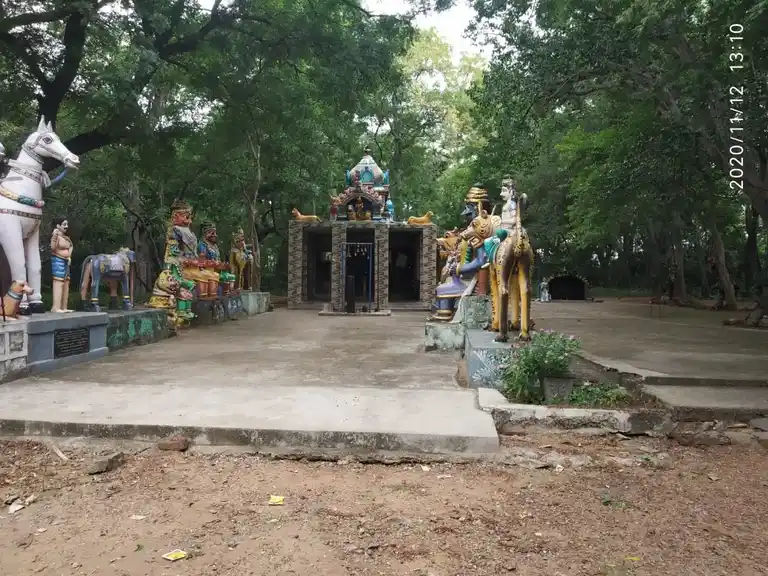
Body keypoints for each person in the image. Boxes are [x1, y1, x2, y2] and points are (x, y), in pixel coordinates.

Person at [50, 216, 73, 312]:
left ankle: (64, 307)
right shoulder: (56, 236)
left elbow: (71, 246)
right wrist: (55, 236)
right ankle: (56, 307)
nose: (66, 226)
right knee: (58, 283)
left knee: (66, 283)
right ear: (58, 225)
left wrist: (69, 256)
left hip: (66, 262)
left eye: (67, 224)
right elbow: (53, 248)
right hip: (58, 261)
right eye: (64, 224)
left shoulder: (66, 238)